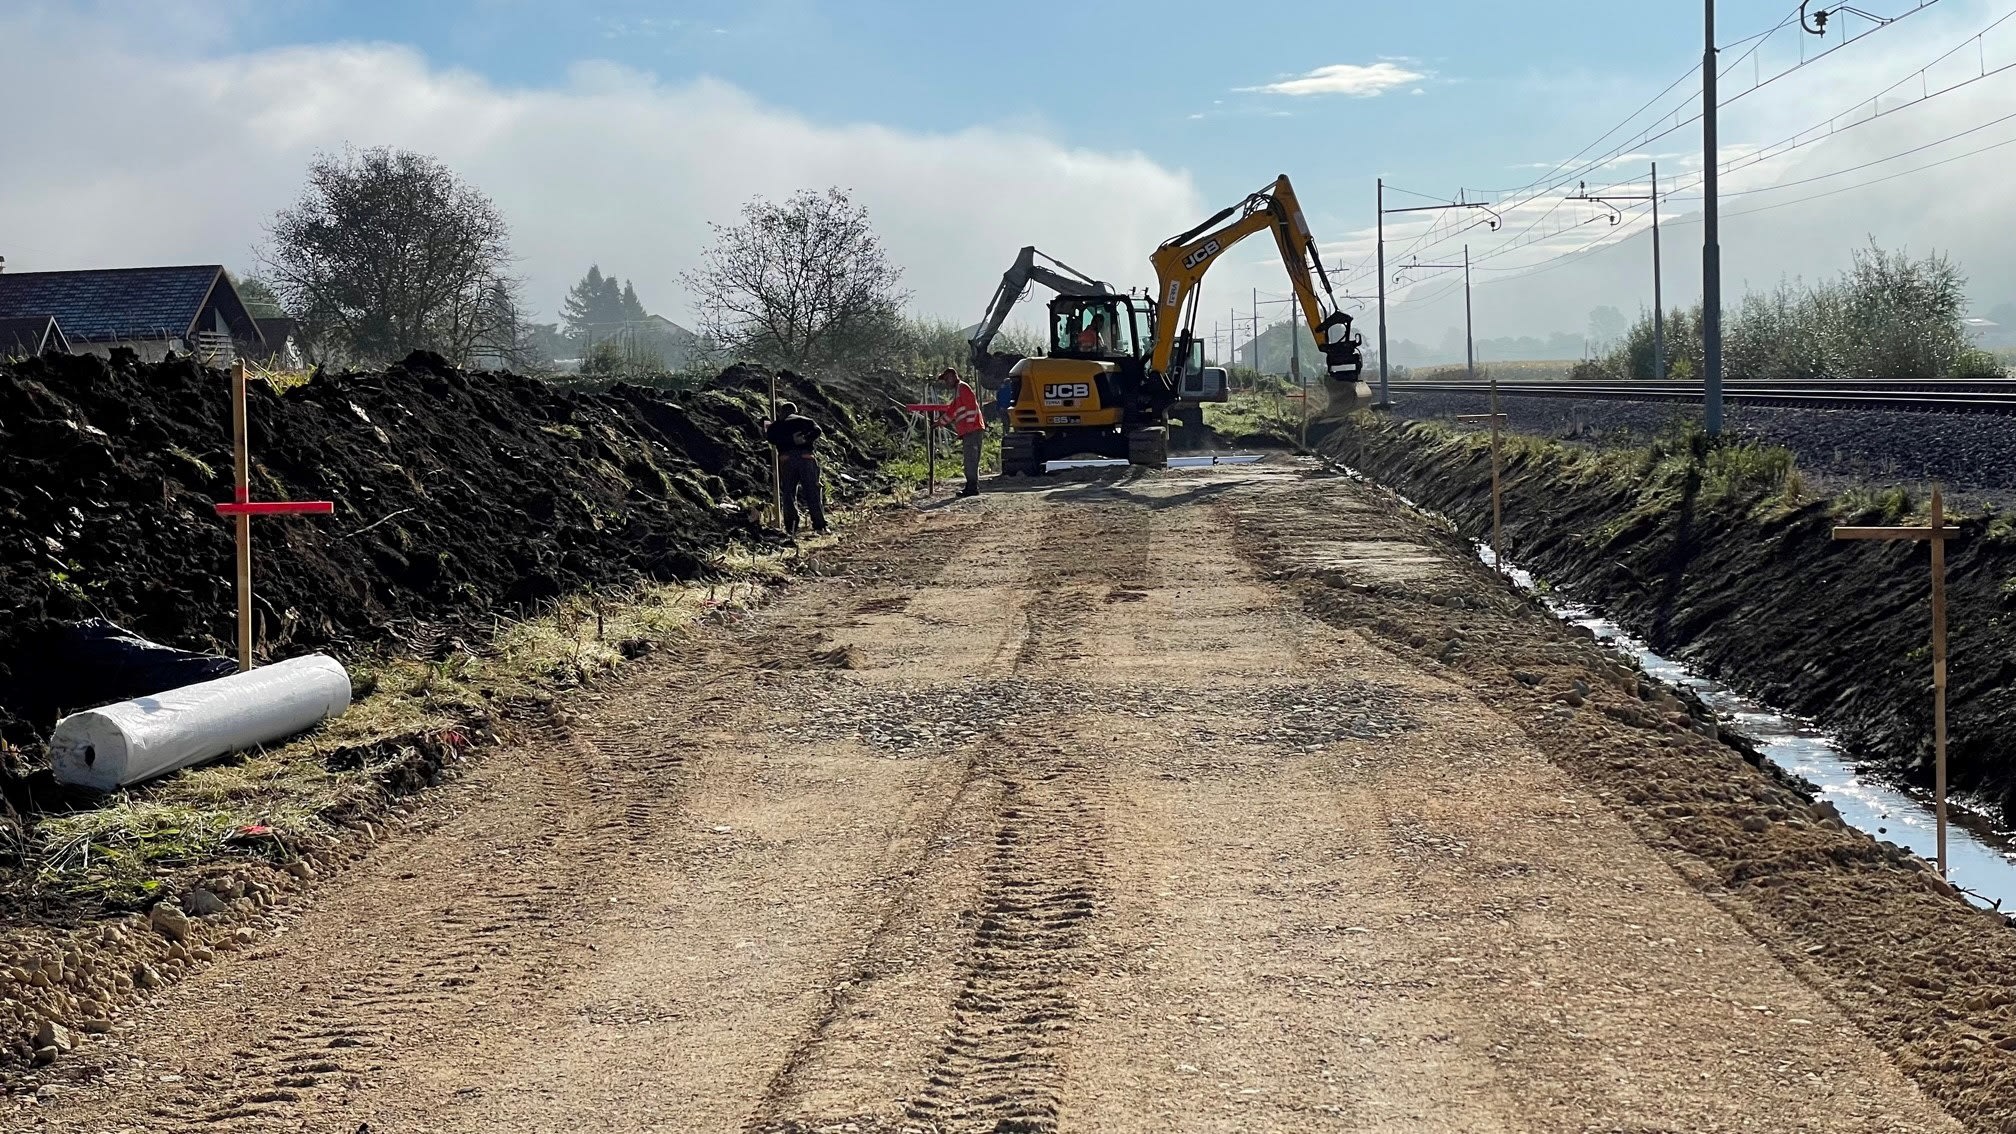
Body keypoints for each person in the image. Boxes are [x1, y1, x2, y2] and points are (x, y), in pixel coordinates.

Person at [764, 399, 829, 535]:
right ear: (795, 411)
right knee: (812, 492)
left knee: (788, 493)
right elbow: (818, 430)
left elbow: (770, 438)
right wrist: (805, 439)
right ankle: (819, 526)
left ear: (782, 412)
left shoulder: (777, 425)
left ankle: (791, 527)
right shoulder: (805, 420)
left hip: (786, 460)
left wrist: (787, 441)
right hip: (806, 458)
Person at [933, 367, 986, 497]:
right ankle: (971, 486)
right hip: (972, 430)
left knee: (971, 460)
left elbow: (971, 409)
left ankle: (972, 487)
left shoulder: (962, 388)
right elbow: (952, 411)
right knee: (970, 459)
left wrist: (968, 429)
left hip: (972, 430)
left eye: (946, 379)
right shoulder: (959, 391)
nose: (946, 383)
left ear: (952, 376)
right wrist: (939, 422)